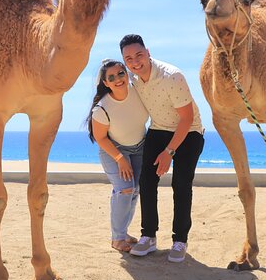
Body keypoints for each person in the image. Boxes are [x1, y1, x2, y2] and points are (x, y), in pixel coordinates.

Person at [120, 34, 204, 263]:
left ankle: (180, 240)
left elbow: (186, 119)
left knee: (181, 183)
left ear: (148, 53)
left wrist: (169, 152)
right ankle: (148, 236)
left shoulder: (172, 76)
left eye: (139, 55)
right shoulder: (132, 79)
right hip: (159, 129)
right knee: (146, 181)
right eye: (129, 59)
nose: (135, 62)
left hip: (189, 131)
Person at [87, 59, 149, 252]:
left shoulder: (139, 91)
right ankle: (117, 239)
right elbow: (100, 137)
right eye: (111, 77)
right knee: (124, 189)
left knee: (136, 189)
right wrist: (120, 159)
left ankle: (122, 231)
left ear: (127, 73)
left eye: (120, 73)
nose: (117, 79)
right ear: (106, 83)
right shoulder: (102, 108)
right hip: (114, 149)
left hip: (140, 146)